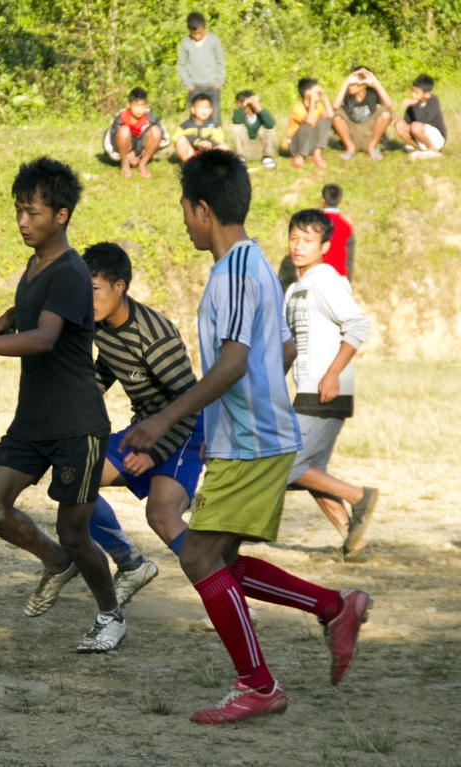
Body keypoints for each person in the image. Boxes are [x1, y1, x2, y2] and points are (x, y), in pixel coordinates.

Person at [122, 150, 371, 725]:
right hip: (250, 437)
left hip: (254, 442)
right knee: (220, 560)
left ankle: (258, 684)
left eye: (185, 209)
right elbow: (278, 350)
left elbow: (234, 362)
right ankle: (334, 607)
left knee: (201, 555)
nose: (184, 220)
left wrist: (165, 420)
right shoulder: (256, 264)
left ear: (202, 209)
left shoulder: (234, 271)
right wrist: (229, 419)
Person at [0, 157, 124, 653]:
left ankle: (110, 614)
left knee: (76, 531)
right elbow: (35, 307)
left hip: (76, 424)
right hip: (33, 420)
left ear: (60, 215)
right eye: (19, 211)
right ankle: (54, 562)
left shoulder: (70, 270)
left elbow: (44, 338)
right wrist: (7, 316)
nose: (23, 222)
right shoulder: (37, 263)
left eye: (32, 213)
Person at [82, 242, 205, 606]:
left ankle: (227, 596)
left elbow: (192, 401)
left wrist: (155, 453)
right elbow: (104, 371)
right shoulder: (101, 325)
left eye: (93, 290)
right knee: (76, 476)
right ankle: (131, 564)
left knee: (162, 516)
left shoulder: (155, 338)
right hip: (144, 430)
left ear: (119, 287)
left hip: (185, 431)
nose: (85, 299)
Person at [283, 209, 378, 564]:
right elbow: (287, 346)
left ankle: (359, 496)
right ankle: (353, 545)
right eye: (294, 238)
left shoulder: (326, 280)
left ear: (324, 245)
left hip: (327, 389)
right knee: (311, 474)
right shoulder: (294, 288)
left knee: (287, 466)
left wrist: (333, 373)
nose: (298, 246)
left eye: (307, 240)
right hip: (305, 389)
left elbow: (358, 326)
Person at [332, 66, 393, 161]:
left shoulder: (372, 93)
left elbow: (389, 104)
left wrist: (375, 82)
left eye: (353, 84)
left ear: (363, 85)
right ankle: (350, 148)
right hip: (352, 133)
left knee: (386, 113)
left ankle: (371, 147)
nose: (350, 87)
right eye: (350, 84)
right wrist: (346, 83)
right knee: (335, 114)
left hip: (369, 134)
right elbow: (335, 106)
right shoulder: (346, 95)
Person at [177, 12, 225, 124]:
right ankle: (195, 140)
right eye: (194, 34)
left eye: (200, 33)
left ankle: (217, 141)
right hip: (195, 87)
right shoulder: (185, 43)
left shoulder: (214, 40)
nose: (198, 36)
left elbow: (220, 61)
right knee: (195, 119)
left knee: (215, 118)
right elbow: (180, 65)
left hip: (212, 86)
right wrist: (189, 85)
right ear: (189, 31)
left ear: (205, 27)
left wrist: (219, 82)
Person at [107, 87, 164, 179]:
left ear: (147, 105)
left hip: (141, 149)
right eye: (136, 106)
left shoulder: (150, 117)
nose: (139, 109)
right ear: (128, 105)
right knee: (124, 131)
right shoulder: (121, 117)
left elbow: (164, 139)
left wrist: (140, 156)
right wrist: (127, 156)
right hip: (124, 150)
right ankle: (125, 166)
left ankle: (142, 165)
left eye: (142, 106)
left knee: (156, 131)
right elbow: (110, 140)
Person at [395, 74, 448, 161]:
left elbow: (424, 120)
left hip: (435, 138)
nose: (413, 94)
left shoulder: (433, 100)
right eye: (412, 91)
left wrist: (415, 103)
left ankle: (432, 150)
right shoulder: (411, 105)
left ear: (426, 94)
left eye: (416, 92)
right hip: (419, 136)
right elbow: (407, 121)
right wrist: (399, 122)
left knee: (415, 126)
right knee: (400, 127)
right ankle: (417, 149)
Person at [282, 78, 333, 169]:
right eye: (315, 92)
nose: (317, 94)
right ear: (307, 93)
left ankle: (317, 155)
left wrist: (324, 96)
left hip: (309, 142)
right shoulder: (297, 108)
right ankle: (299, 157)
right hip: (295, 145)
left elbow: (330, 116)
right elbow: (309, 121)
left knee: (325, 119)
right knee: (306, 124)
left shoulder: (318, 106)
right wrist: (312, 100)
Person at [174, 93, 228, 163]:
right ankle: (190, 165)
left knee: (224, 147)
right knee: (180, 140)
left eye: (207, 108)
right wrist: (196, 142)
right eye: (200, 108)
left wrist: (209, 144)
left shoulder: (214, 125)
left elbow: (219, 140)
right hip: (192, 153)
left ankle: (211, 166)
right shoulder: (186, 125)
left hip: (208, 153)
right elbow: (175, 138)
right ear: (193, 110)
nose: (204, 111)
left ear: (211, 110)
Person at [230, 90, 277, 168]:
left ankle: (267, 157)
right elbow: (236, 121)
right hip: (245, 150)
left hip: (260, 149)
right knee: (236, 127)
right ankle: (240, 158)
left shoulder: (261, 113)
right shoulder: (239, 114)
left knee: (269, 128)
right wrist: (244, 104)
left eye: (239, 105)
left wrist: (257, 106)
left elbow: (270, 124)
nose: (238, 108)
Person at [321, 184, 355, 281]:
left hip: (316, 275)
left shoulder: (313, 221)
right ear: (340, 200)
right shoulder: (347, 224)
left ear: (322, 200)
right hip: (339, 277)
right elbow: (350, 255)